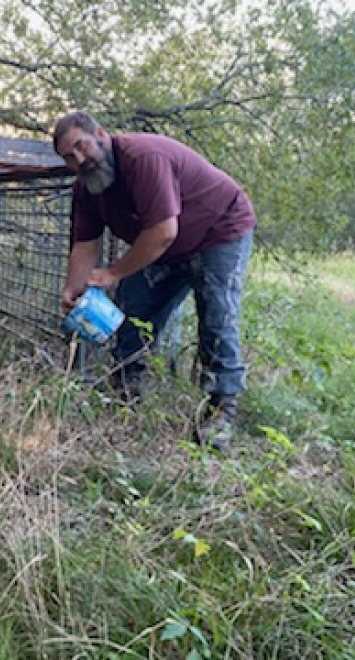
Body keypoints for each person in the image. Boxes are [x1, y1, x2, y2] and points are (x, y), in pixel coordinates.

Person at [53, 110, 256, 450]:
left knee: (217, 318)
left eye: (81, 146)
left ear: (100, 134)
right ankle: (126, 396)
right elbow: (85, 243)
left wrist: (114, 272)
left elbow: (163, 232)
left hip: (218, 230)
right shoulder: (87, 189)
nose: (79, 159)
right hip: (165, 247)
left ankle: (221, 412)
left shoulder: (143, 157)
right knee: (132, 312)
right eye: (69, 157)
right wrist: (73, 289)